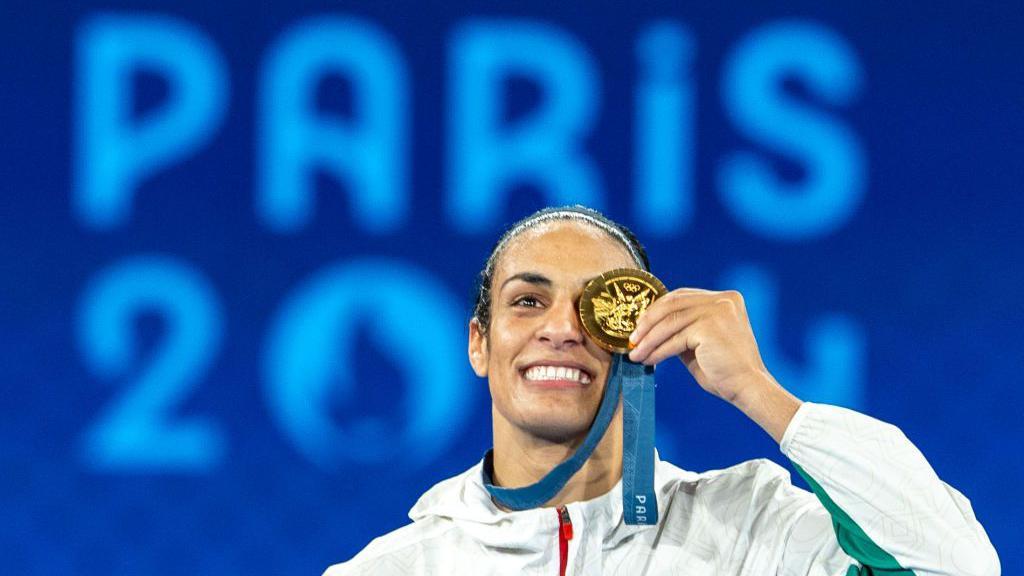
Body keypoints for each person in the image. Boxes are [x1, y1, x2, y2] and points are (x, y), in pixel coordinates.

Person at [324, 206, 999, 575]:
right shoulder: (399, 569)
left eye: (596, 306)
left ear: (638, 334)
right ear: (479, 343)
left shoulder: (751, 533)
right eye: (528, 301)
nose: (560, 328)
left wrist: (762, 393)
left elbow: (953, 567)